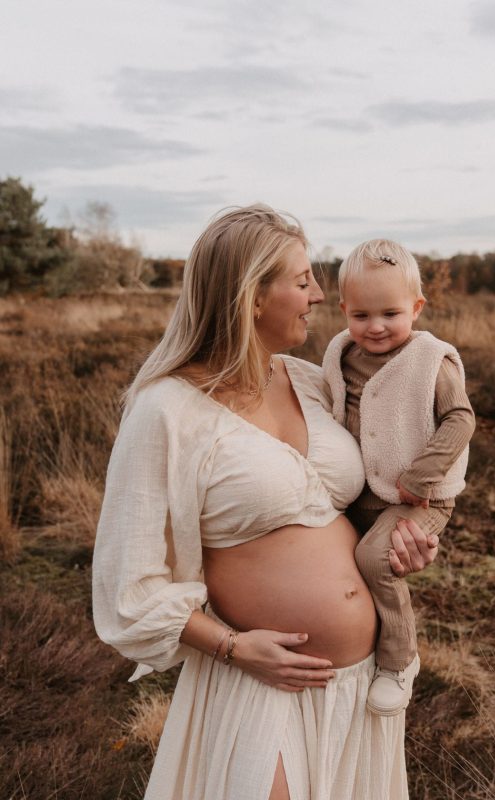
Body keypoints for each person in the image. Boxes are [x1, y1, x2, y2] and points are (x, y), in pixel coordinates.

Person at [92, 206, 440, 800]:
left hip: (361, 682)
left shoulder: (313, 381)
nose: (319, 295)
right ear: (253, 295)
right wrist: (233, 647)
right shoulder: (165, 410)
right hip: (261, 682)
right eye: (303, 280)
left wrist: (407, 535)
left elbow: (373, 494)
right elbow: (127, 584)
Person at [322, 239, 475, 716]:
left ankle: (400, 659)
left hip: (419, 497)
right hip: (362, 495)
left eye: (391, 313)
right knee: (339, 566)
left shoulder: (431, 359)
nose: (376, 327)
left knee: (373, 557)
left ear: (416, 307)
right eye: (362, 315)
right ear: (344, 310)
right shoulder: (342, 356)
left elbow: (460, 420)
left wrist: (422, 474)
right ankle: (357, 653)